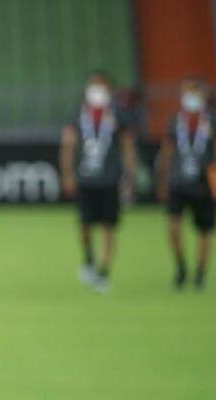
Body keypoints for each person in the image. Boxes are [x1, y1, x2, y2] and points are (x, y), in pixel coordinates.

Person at [59, 70, 137, 293]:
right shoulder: (78, 114)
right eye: (94, 86)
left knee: (109, 227)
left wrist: (130, 176)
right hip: (86, 179)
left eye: (102, 86)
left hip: (110, 179)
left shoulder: (118, 115)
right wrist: (67, 174)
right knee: (85, 226)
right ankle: (89, 259)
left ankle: (104, 271)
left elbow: (128, 147)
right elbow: (68, 145)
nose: (98, 91)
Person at [157, 78, 216, 290]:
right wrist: (163, 179)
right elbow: (167, 151)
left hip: (204, 184)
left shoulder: (213, 122)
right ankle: (181, 266)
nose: (191, 98)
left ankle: (201, 273)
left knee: (205, 230)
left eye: (195, 93)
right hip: (178, 182)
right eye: (188, 92)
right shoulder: (175, 121)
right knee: (173, 225)